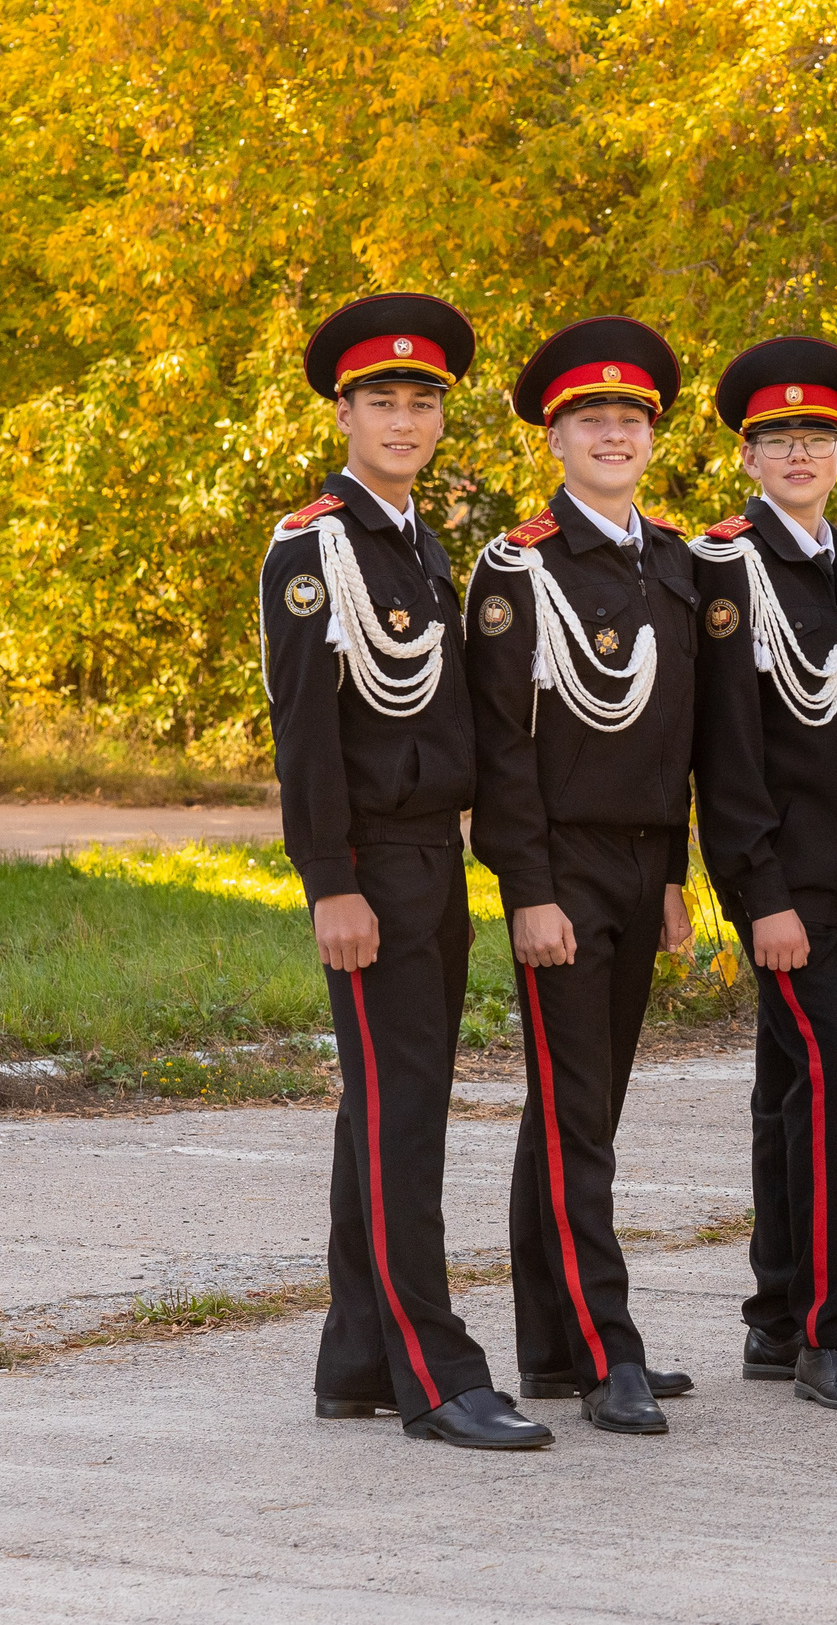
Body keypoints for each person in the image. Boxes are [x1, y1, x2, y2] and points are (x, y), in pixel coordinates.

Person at [264, 295, 550, 1451]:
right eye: (380, 399)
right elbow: (307, 731)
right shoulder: (315, 544)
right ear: (344, 411)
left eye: (421, 401)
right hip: (372, 866)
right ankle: (435, 1370)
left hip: (437, 857)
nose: (403, 417)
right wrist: (329, 877)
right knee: (400, 1117)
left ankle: (358, 1356)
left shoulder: (416, 540)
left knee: (392, 1108)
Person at [465, 317, 701, 1437]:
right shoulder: (519, 566)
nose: (613, 433)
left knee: (582, 1110)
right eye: (589, 419)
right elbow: (502, 747)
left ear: (652, 436)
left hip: (643, 861)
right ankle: (611, 1350)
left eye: (631, 418)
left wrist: (675, 872)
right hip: (559, 867)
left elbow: (678, 733)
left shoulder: (677, 561)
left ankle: (553, 1345)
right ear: (553, 437)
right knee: (575, 1122)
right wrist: (528, 889)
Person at [690, 337, 837, 1412]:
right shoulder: (728, 565)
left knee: (787, 1098)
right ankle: (832, 1336)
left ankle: (777, 1323)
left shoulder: (830, 559)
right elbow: (728, 757)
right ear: (747, 455)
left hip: (834, 890)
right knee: (834, 1098)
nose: (798, 453)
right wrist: (762, 896)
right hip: (781, 890)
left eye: (816, 437)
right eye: (777, 439)